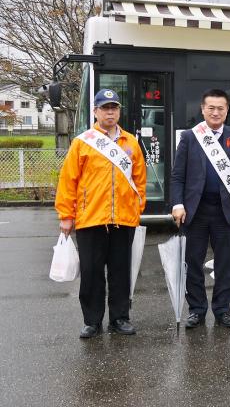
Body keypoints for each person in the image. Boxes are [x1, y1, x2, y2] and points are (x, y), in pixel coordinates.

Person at [55, 89, 146, 338]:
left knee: (120, 272)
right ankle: (92, 321)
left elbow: (140, 180)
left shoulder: (131, 143)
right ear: (95, 111)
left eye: (114, 108)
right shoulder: (83, 142)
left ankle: (120, 318)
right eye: (105, 108)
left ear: (119, 111)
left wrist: (137, 209)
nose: (110, 112)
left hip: (123, 220)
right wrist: (66, 215)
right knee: (92, 273)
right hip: (91, 218)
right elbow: (68, 180)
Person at [170, 89, 230, 329]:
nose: (216, 112)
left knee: (226, 262)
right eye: (211, 108)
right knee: (192, 262)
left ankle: (222, 309)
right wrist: (178, 204)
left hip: (225, 210)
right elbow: (177, 176)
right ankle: (196, 309)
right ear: (203, 109)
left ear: (227, 111)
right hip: (195, 210)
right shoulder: (190, 137)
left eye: (221, 108)